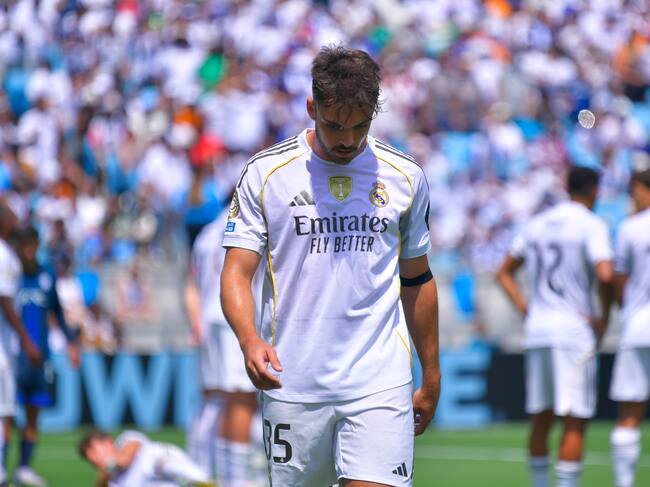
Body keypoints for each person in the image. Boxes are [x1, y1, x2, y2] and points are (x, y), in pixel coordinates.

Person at [221, 45, 441, 486]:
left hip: (379, 379)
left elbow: (417, 277)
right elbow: (236, 272)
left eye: (360, 126)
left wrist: (431, 373)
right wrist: (248, 340)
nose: (347, 140)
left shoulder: (404, 176)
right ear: (312, 108)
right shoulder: (266, 174)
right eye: (334, 125)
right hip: (293, 383)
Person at [496, 166, 614, 487]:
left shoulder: (536, 224)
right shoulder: (591, 224)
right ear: (594, 191)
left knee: (541, 417)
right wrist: (604, 316)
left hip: (538, 330)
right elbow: (605, 274)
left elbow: (503, 272)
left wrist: (526, 309)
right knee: (574, 420)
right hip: (573, 330)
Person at [185, 208, 264, 486]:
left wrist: (196, 322)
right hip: (238, 316)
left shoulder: (207, 232)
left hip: (210, 320)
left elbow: (190, 284)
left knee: (214, 398)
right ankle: (236, 478)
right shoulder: (251, 222)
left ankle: (203, 468)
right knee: (242, 399)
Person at [9, 227, 81, 486]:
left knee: (33, 413)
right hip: (12, 356)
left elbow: (57, 312)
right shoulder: (10, 274)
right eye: (25, 246)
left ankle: (24, 467)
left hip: (40, 357)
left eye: (32, 245)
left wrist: (72, 343)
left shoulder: (46, 276)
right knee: (6, 414)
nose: (29, 250)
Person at [608, 168, 650, 487]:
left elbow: (619, 282)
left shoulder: (630, 227)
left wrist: (626, 311)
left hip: (638, 325)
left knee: (630, 412)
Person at [0, 204, 41, 487]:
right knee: (4, 409)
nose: (16, 219)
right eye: (11, 215)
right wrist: (26, 339)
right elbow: (4, 300)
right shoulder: (4, 255)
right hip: (2, 346)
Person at [78, 429, 213, 487]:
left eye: (93, 450)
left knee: (161, 463)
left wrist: (106, 470)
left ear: (108, 442)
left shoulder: (126, 439)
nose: (93, 458)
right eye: (89, 458)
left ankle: (204, 481)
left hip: (166, 462)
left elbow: (126, 458)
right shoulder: (114, 483)